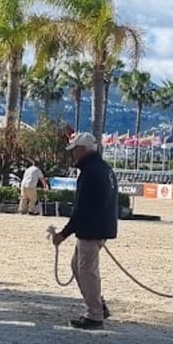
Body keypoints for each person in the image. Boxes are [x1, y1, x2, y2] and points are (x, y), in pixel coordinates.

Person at [47, 130, 118, 328]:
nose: (73, 155)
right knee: (78, 267)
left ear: (82, 150)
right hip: (100, 226)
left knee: (86, 270)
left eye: (75, 150)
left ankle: (95, 315)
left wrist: (63, 234)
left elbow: (82, 209)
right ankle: (98, 306)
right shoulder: (104, 169)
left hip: (91, 229)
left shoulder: (90, 173)